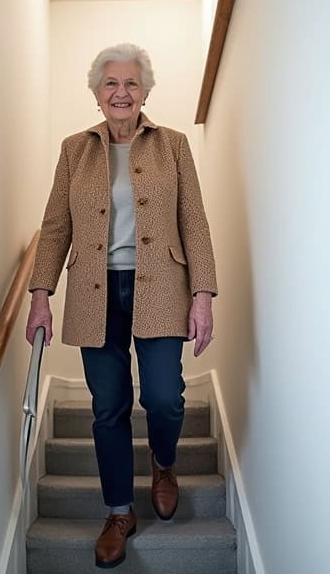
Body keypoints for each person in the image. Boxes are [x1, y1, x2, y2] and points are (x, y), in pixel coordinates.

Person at [26, 43, 217, 569]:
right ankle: (117, 511)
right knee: (107, 406)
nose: (121, 92)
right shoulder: (74, 151)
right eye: (111, 83)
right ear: (96, 93)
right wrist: (40, 296)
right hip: (94, 291)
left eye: (132, 83)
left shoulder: (173, 145)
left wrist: (203, 295)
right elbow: (56, 227)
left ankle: (163, 461)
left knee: (163, 396)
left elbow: (194, 223)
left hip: (160, 285)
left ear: (146, 92)